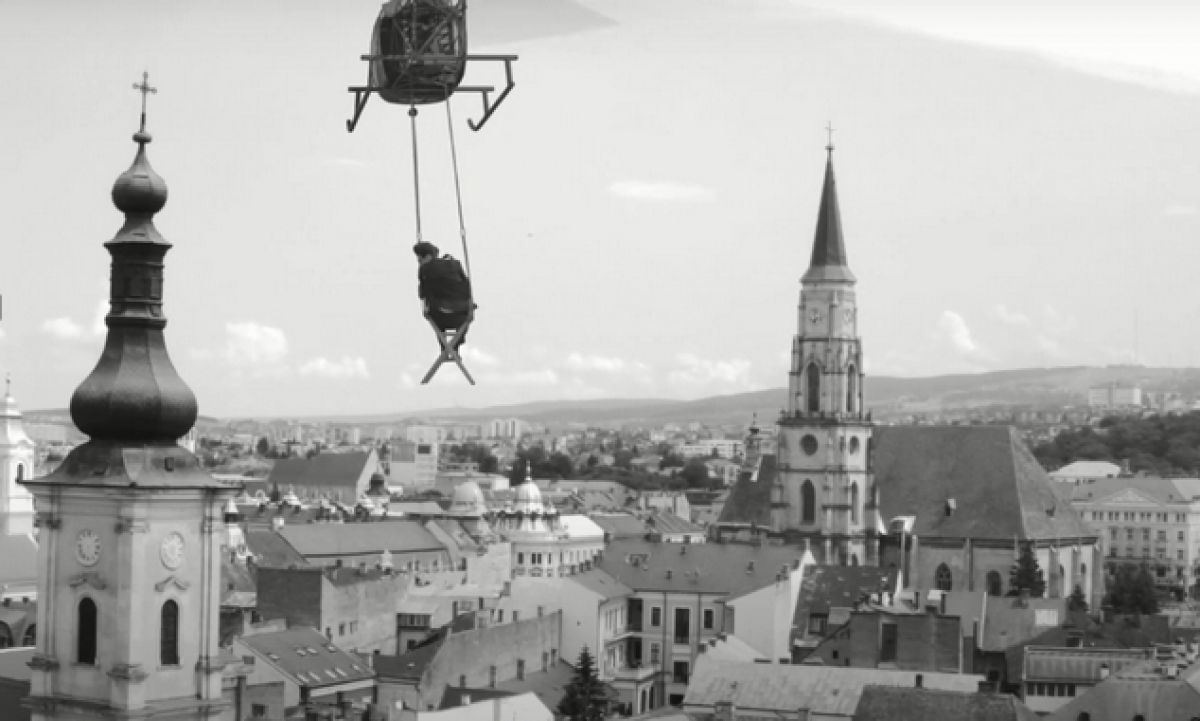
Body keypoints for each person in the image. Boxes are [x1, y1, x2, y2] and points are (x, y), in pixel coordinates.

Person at [413, 241, 474, 341]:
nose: (419, 262)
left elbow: (422, 294)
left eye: (420, 259)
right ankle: (456, 344)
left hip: (439, 314)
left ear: (427, 256)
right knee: (461, 325)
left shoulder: (425, 269)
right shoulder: (456, 264)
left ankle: (446, 346)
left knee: (437, 321)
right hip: (462, 313)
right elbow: (466, 287)